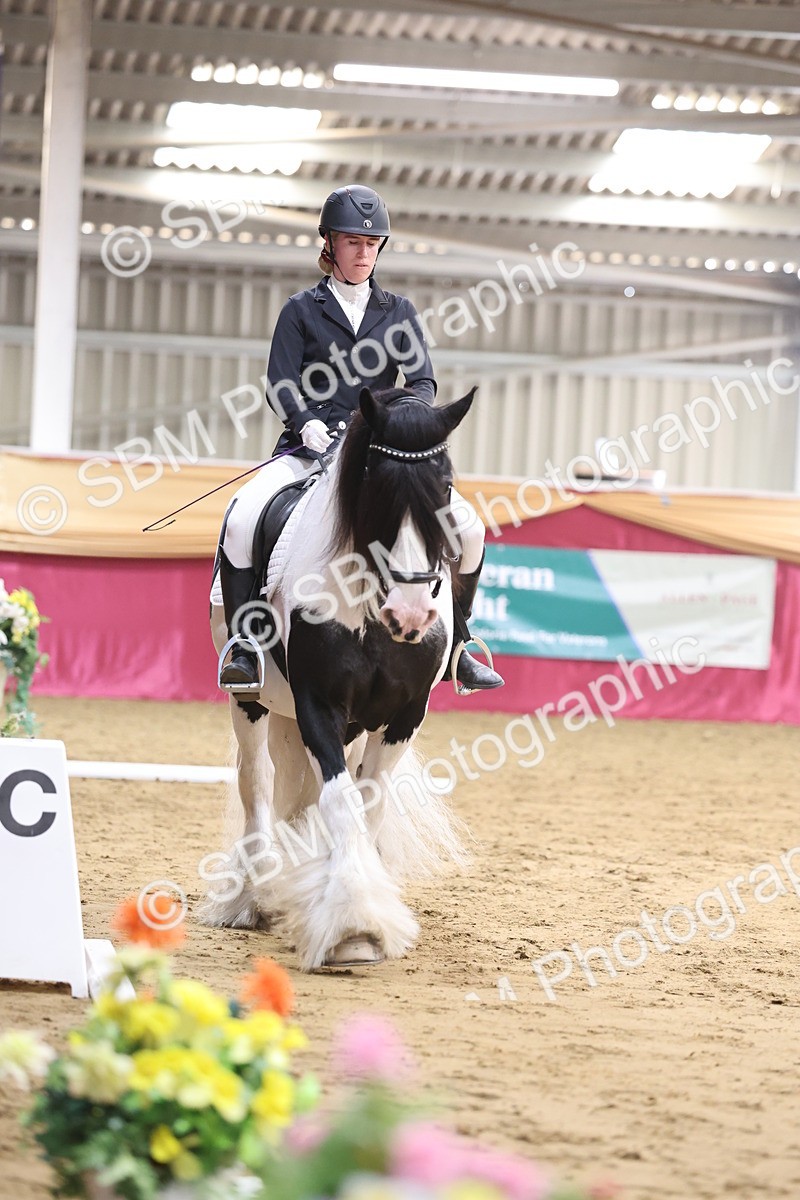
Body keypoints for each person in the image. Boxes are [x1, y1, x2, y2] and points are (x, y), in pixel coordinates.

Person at [213, 183, 503, 693]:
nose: (363, 252)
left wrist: (399, 422)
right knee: (241, 517)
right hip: (309, 450)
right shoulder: (301, 310)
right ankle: (246, 644)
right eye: (353, 242)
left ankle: (460, 646)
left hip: (379, 456)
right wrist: (306, 421)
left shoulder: (399, 312)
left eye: (372, 244)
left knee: (472, 530)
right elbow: (280, 380)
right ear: (330, 245)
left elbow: (422, 383)